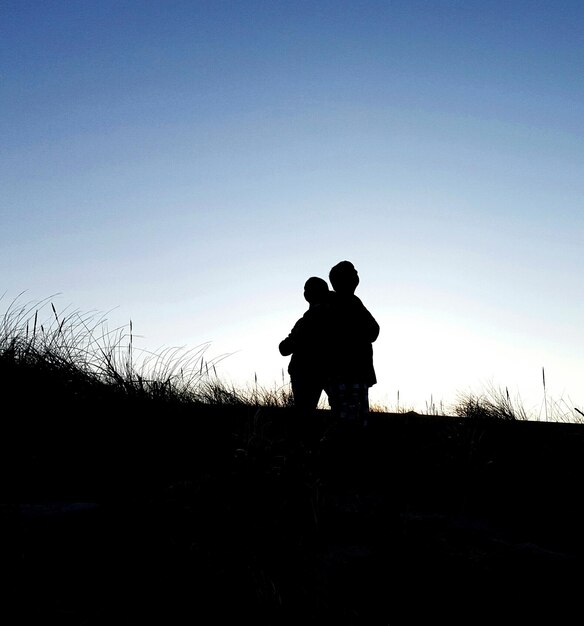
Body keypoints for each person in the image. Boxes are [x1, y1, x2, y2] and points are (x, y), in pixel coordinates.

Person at [326, 260, 379, 425]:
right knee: (350, 423)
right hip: (348, 372)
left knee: (353, 421)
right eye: (352, 272)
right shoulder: (343, 302)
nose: (356, 275)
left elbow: (373, 330)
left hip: (352, 372)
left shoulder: (351, 301)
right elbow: (372, 330)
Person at [279, 276, 331, 414]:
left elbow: (285, 348)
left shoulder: (309, 319)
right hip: (324, 370)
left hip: (307, 372)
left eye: (308, 290)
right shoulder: (332, 315)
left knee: (304, 414)